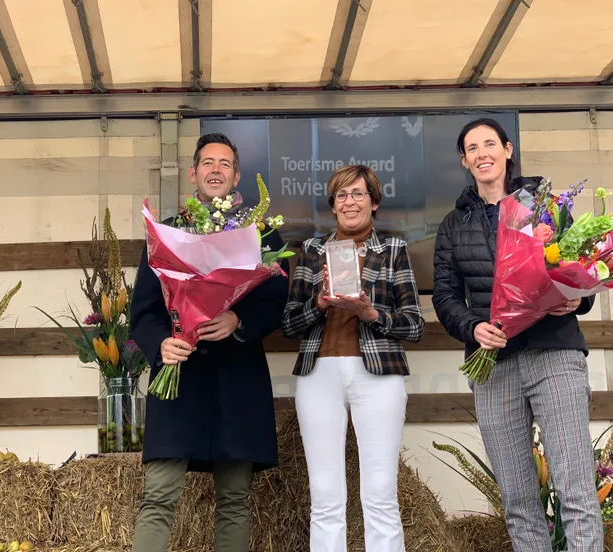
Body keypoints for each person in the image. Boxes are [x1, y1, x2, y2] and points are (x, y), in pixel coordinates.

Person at [432, 117, 603, 551]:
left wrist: (575, 300)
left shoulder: (543, 205)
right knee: (517, 500)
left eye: (490, 143)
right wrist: (473, 327)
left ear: (508, 150)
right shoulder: (453, 225)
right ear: (464, 161)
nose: (482, 153)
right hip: (494, 366)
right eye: (472, 148)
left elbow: (577, 272)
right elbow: (446, 296)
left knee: (576, 489)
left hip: (554, 353)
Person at [129, 133, 290, 552]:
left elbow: (277, 302)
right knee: (159, 494)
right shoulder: (165, 234)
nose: (215, 170)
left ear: (236, 176)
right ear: (193, 173)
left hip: (237, 378)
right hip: (178, 377)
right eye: (207, 163)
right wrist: (161, 344)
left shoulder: (261, 234)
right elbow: (143, 312)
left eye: (224, 164)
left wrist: (238, 318)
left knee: (235, 500)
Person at [281, 164, 424, 552]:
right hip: (319, 375)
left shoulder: (393, 249)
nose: (349, 202)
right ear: (333, 205)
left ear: (374, 202)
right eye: (341, 195)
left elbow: (414, 326)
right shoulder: (311, 251)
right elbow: (290, 324)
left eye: (358, 194)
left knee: (379, 494)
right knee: (325, 496)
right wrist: (319, 304)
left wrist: (372, 314)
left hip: (378, 376)